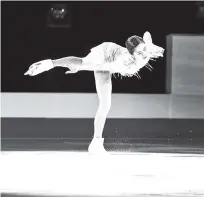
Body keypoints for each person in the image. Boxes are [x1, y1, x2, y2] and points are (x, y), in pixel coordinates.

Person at [24, 31, 165, 154]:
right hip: (105, 54)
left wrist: (149, 43)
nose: (143, 55)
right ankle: (48, 64)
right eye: (139, 53)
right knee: (83, 65)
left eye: (144, 50)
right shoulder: (121, 63)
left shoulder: (148, 51)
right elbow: (95, 65)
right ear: (131, 54)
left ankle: (96, 143)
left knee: (106, 105)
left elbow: (147, 35)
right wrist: (79, 68)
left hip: (113, 55)